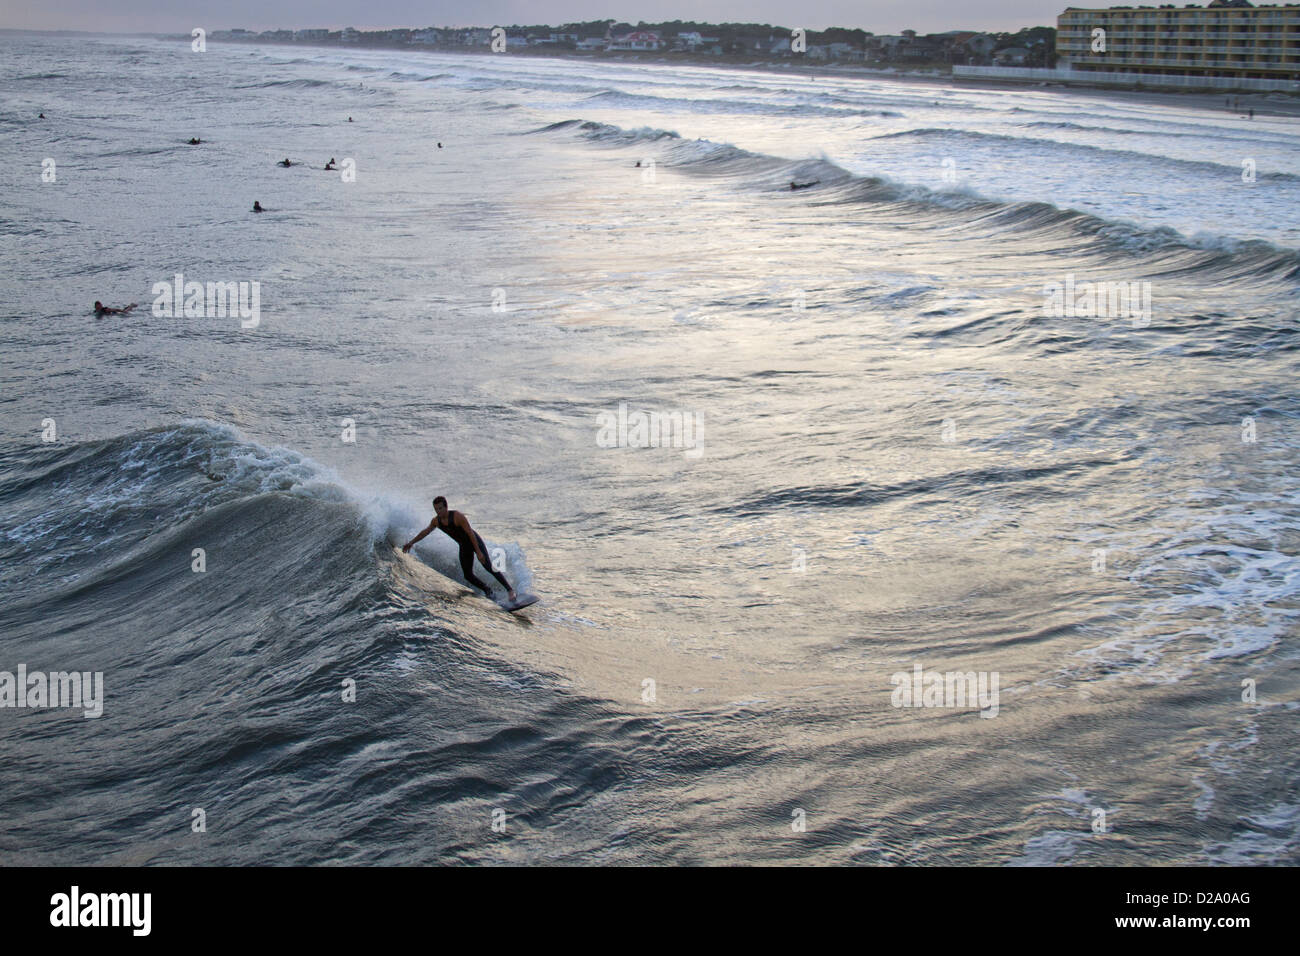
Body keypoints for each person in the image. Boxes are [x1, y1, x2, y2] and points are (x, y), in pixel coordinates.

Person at [403, 496, 517, 602]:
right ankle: (488, 590)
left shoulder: (457, 516)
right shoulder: (436, 521)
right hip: (463, 546)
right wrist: (411, 543)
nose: (439, 512)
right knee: (467, 575)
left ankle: (510, 590)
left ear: (446, 507)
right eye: (436, 509)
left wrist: (478, 552)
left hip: (474, 541)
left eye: (440, 508)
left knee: (487, 566)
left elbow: (470, 533)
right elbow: (425, 532)